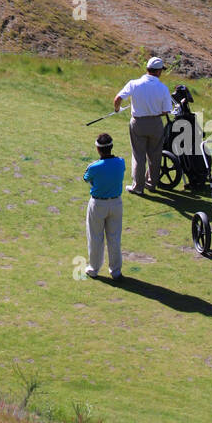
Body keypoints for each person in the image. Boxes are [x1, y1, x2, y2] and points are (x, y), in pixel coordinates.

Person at [114, 58, 172, 195]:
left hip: (138, 123)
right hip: (156, 123)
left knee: (139, 155)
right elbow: (166, 111)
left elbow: (118, 99)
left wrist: (117, 109)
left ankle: (138, 187)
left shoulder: (134, 84)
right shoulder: (163, 88)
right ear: (158, 71)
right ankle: (151, 184)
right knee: (155, 155)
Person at [82, 132, 126, 280]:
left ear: (98, 149)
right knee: (114, 238)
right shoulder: (121, 162)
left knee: (95, 237)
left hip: (98, 204)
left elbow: (87, 178)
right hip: (116, 203)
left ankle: (94, 269)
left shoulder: (94, 167)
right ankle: (116, 271)